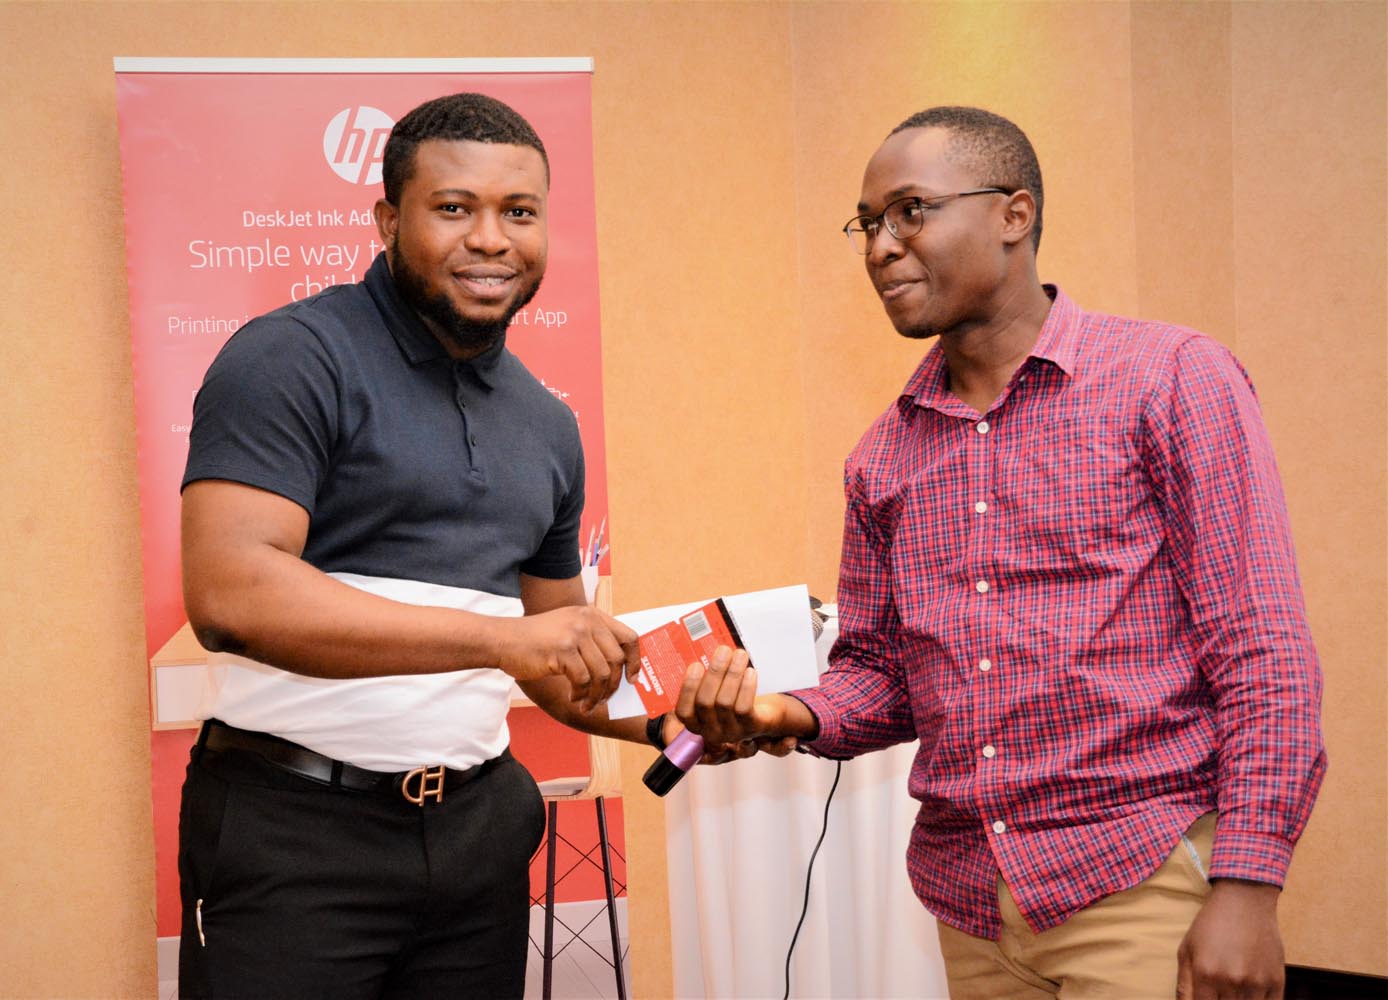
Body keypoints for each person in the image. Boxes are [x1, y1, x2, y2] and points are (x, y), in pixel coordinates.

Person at [674, 106, 1326, 1000]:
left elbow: (1263, 652)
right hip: (972, 911)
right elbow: (884, 675)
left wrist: (1248, 888)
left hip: (1138, 880)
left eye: (910, 211)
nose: (881, 247)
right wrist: (778, 713)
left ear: (1014, 214)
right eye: (867, 224)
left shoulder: (1170, 379)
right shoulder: (881, 458)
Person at [176, 92, 646, 999]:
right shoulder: (291, 358)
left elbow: (560, 656)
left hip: (477, 837)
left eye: (519, 212)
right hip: (296, 837)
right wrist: (504, 642)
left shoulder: (548, 425)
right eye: (455, 208)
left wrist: (688, 720)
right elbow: (231, 595)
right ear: (389, 220)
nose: (492, 239)